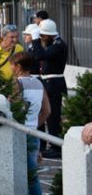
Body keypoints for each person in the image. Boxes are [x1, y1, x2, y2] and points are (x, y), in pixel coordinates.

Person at [8, 52, 50, 195]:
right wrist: (34, 125)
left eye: (11, 65)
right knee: (32, 173)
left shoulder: (17, 84)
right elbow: (47, 111)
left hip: (18, 132)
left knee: (19, 173)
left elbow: (14, 109)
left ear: (17, 66)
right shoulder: (39, 83)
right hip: (33, 132)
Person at [27, 19, 68, 159]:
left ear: (50, 35)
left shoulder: (58, 45)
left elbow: (39, 56)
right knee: (47, 114)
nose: (41, 38)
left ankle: (56, 147)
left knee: (53, 116)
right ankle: (50, 144)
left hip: (54, 84)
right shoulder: (52, 43)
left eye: (43, 36)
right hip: (48, 83)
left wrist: (35, 40)